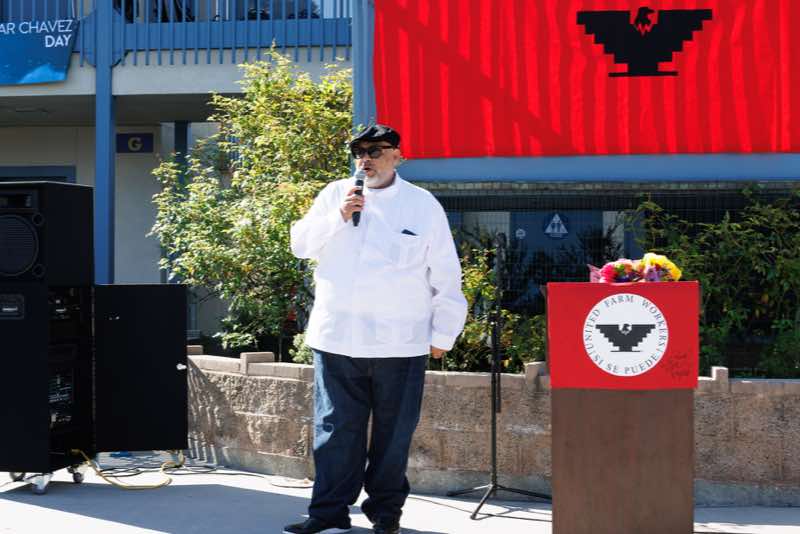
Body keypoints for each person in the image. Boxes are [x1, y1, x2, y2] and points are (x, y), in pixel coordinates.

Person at [284, 124, 467, 534]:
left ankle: (385, 513)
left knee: (394, 434)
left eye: (376, 151)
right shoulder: (336, 194)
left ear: (398, 156)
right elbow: (301, 245)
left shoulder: (422, 205)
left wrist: (443, 334)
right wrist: (339, 215)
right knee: (334, 431)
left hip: (399, 343)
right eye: (359, 151)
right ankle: (328, 512)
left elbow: (445, 273)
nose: (365, 159)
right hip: (337, 338)